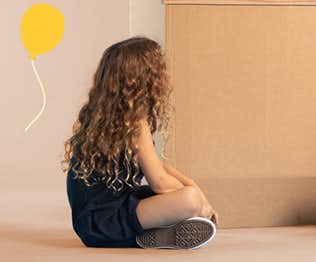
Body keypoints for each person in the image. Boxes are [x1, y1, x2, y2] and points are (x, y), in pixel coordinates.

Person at [63, 37, 218, 249]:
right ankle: (150, 233)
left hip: (91, 224)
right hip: (106, 222)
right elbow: (160, 183)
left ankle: (156, 232)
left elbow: (159, 167)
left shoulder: (104, 120)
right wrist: (199, 201)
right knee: (188, 200)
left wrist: (194, 187)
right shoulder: (135, 124)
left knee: (185, 194)